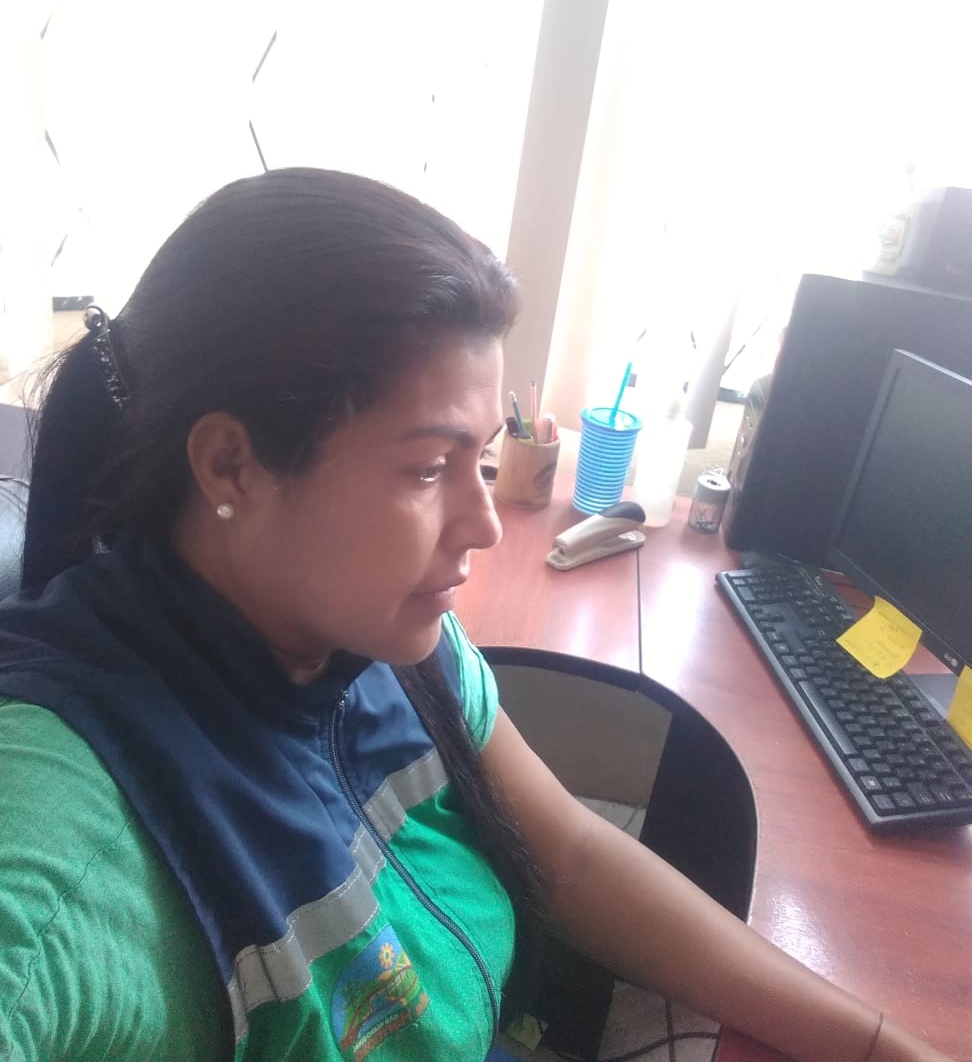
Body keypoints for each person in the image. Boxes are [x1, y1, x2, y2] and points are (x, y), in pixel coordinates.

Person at [0, 168, 959, 1062]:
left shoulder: (379, 636)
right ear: (231, 467)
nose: (486, 523)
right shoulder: (62, 819)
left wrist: (881, 1045)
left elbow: (571, 856)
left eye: (483, 456)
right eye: (429, 468)